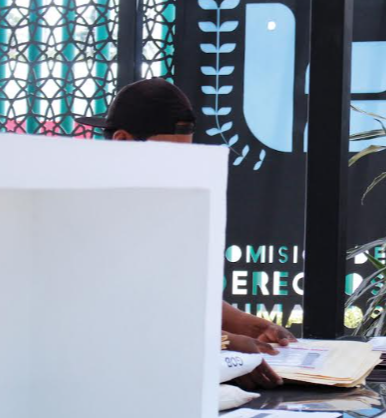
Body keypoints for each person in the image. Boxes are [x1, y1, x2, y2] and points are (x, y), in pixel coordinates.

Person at [76, 78, 296, 389]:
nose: (177, 170)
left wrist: (246, 324)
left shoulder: (158, 203)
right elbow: (109, 314)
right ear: (123, 141)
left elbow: (169, 296)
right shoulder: (78, 210)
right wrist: (221, 342)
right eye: (169, 157)